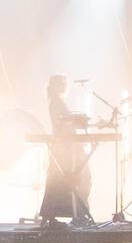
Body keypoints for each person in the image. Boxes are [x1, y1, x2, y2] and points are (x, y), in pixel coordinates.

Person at [38, 75, 95, 225]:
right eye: (61, 83)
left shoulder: (58, 102)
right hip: (64, 148)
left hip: (66, 146)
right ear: (54, 85)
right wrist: (78, 121)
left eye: (65, 83)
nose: (64, 86)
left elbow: (65, 122)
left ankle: (57, 215)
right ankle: (77, 215)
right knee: (77, 178)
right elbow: (62, 123)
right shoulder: (56, 103)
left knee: (61, 180)